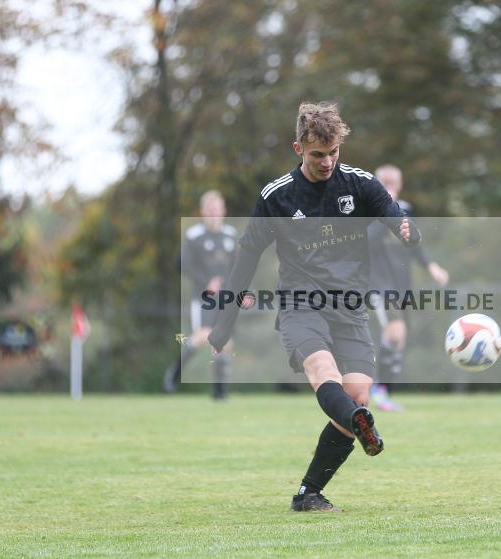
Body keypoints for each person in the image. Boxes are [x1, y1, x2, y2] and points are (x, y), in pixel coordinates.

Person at [208, 102, 420, 512]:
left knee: (357, 394)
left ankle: (308, 493)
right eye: (317, 154)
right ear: (298, 149)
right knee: (324, 372)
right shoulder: (278, 197)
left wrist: (409, 233)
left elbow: (397, 220)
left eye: (334, 152)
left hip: (349, 309)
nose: (327, 162)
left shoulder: (359, 184)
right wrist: (223, 325)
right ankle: (361, 427)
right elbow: (244, 261)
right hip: (300, 304)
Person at [367, 164, 449, 411]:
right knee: (394, 331)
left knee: (398, 339)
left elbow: (414, 244)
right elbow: (369, 240)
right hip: (379, 282)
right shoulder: (368, 210)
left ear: (400, 184)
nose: (390, 186)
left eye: (394, 182)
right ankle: (376, 389)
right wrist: (385, 211)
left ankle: (382, 390)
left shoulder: (406, 210)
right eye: (385, 182)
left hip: (402, 285)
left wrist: (431, 266)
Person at [163, 190, 237, 400]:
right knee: (203, 335)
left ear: (223, 211)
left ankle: (219, 393)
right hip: (202, 298)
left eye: (217, 209)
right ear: (203, 212)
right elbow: (183, 264)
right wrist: (207, 281)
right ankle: (174, 374)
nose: (213, 213)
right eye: (209, 210)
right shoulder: (194, 236)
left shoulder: (230, 235)